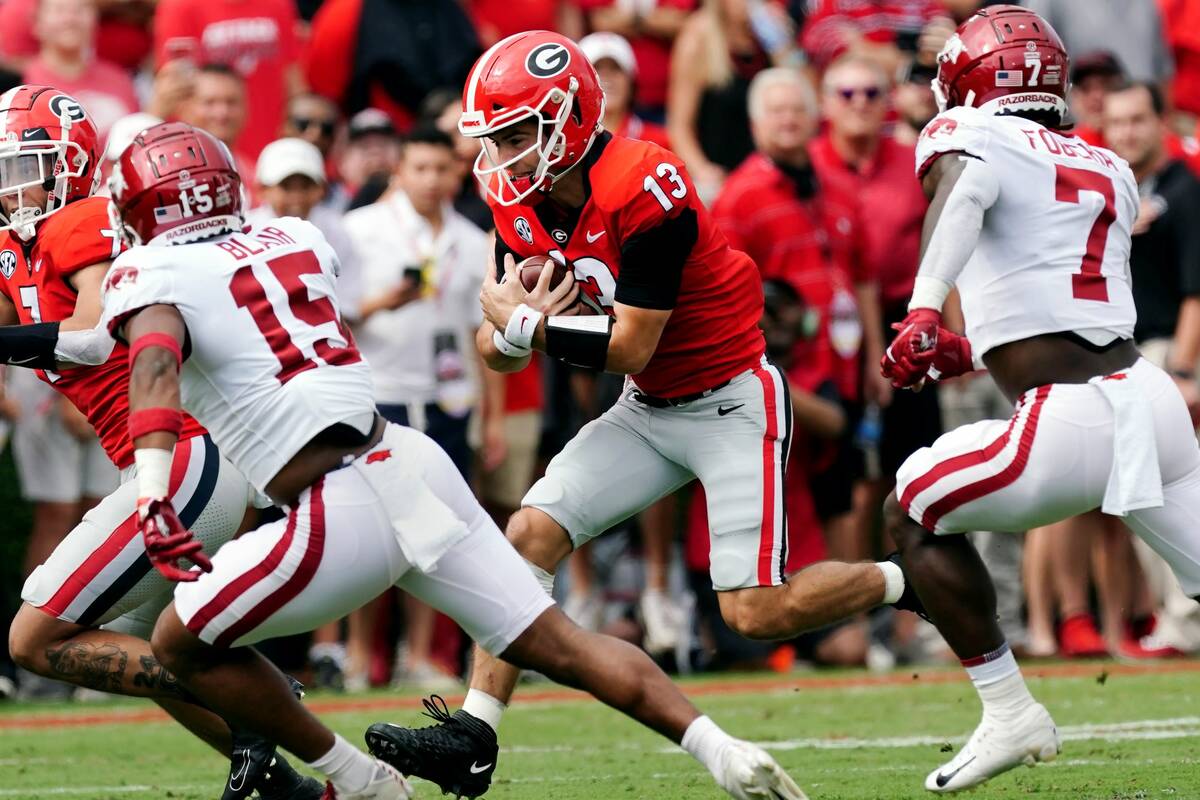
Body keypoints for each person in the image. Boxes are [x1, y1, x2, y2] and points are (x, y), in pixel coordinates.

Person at [100, 119, 805, 800]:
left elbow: (155, 372)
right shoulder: (298, 236)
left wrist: (153, 493)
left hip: (331, 510)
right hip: (408, 463)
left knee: (179, 642)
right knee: (555, 643)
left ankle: (360, 782)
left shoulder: (150, 272)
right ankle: (726, 752)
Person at [376, 31, 913, 796]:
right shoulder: (515, 196)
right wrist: (508, 329)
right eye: (494, 137)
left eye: (516, 133)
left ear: (568, 119)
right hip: (649, 407)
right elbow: (497, 349)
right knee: (527, 534)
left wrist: (526, 326)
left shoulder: (644, 181)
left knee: (755, 612)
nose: (502, 154)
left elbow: (630, 343)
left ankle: (904, 577)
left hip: (727, 397)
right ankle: (475, 733)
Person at [879, 5, 1200, 792]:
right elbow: (1060, 297)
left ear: (971, 77)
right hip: (1147, 402)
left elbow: (963, 192)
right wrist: (966, 349)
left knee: (909, 508)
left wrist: (925, 306)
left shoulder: (972, 138)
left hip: (1067, 414)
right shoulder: (1109, 167)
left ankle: (1010, 711)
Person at [0, 86, 318, 800]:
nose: (11, 186)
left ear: (69, 165)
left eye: (26, 166)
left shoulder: (81, 221)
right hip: (155, 466)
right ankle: (288, 787)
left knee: (33, 640)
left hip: (182, 457)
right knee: (146, 650)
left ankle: (257, 698)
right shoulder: (16, 249)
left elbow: (87, 338)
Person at [154, 0, 304, 158]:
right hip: (202, 157)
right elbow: (173, 90)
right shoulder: (180, 6)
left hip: (270, 152)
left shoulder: (278, 4)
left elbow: (293, 78)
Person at [21, 0, 137, 141]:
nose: (71, 19)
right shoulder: (20, 85)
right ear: (36, 23)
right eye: (59, 10)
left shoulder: (118, 78)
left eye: (80, 10)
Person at [579, 32, 671, 150]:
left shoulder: (659, 143)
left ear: (631, 81)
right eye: (596, 69)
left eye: (615, 68)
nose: (607, 76)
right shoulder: (563, 143)